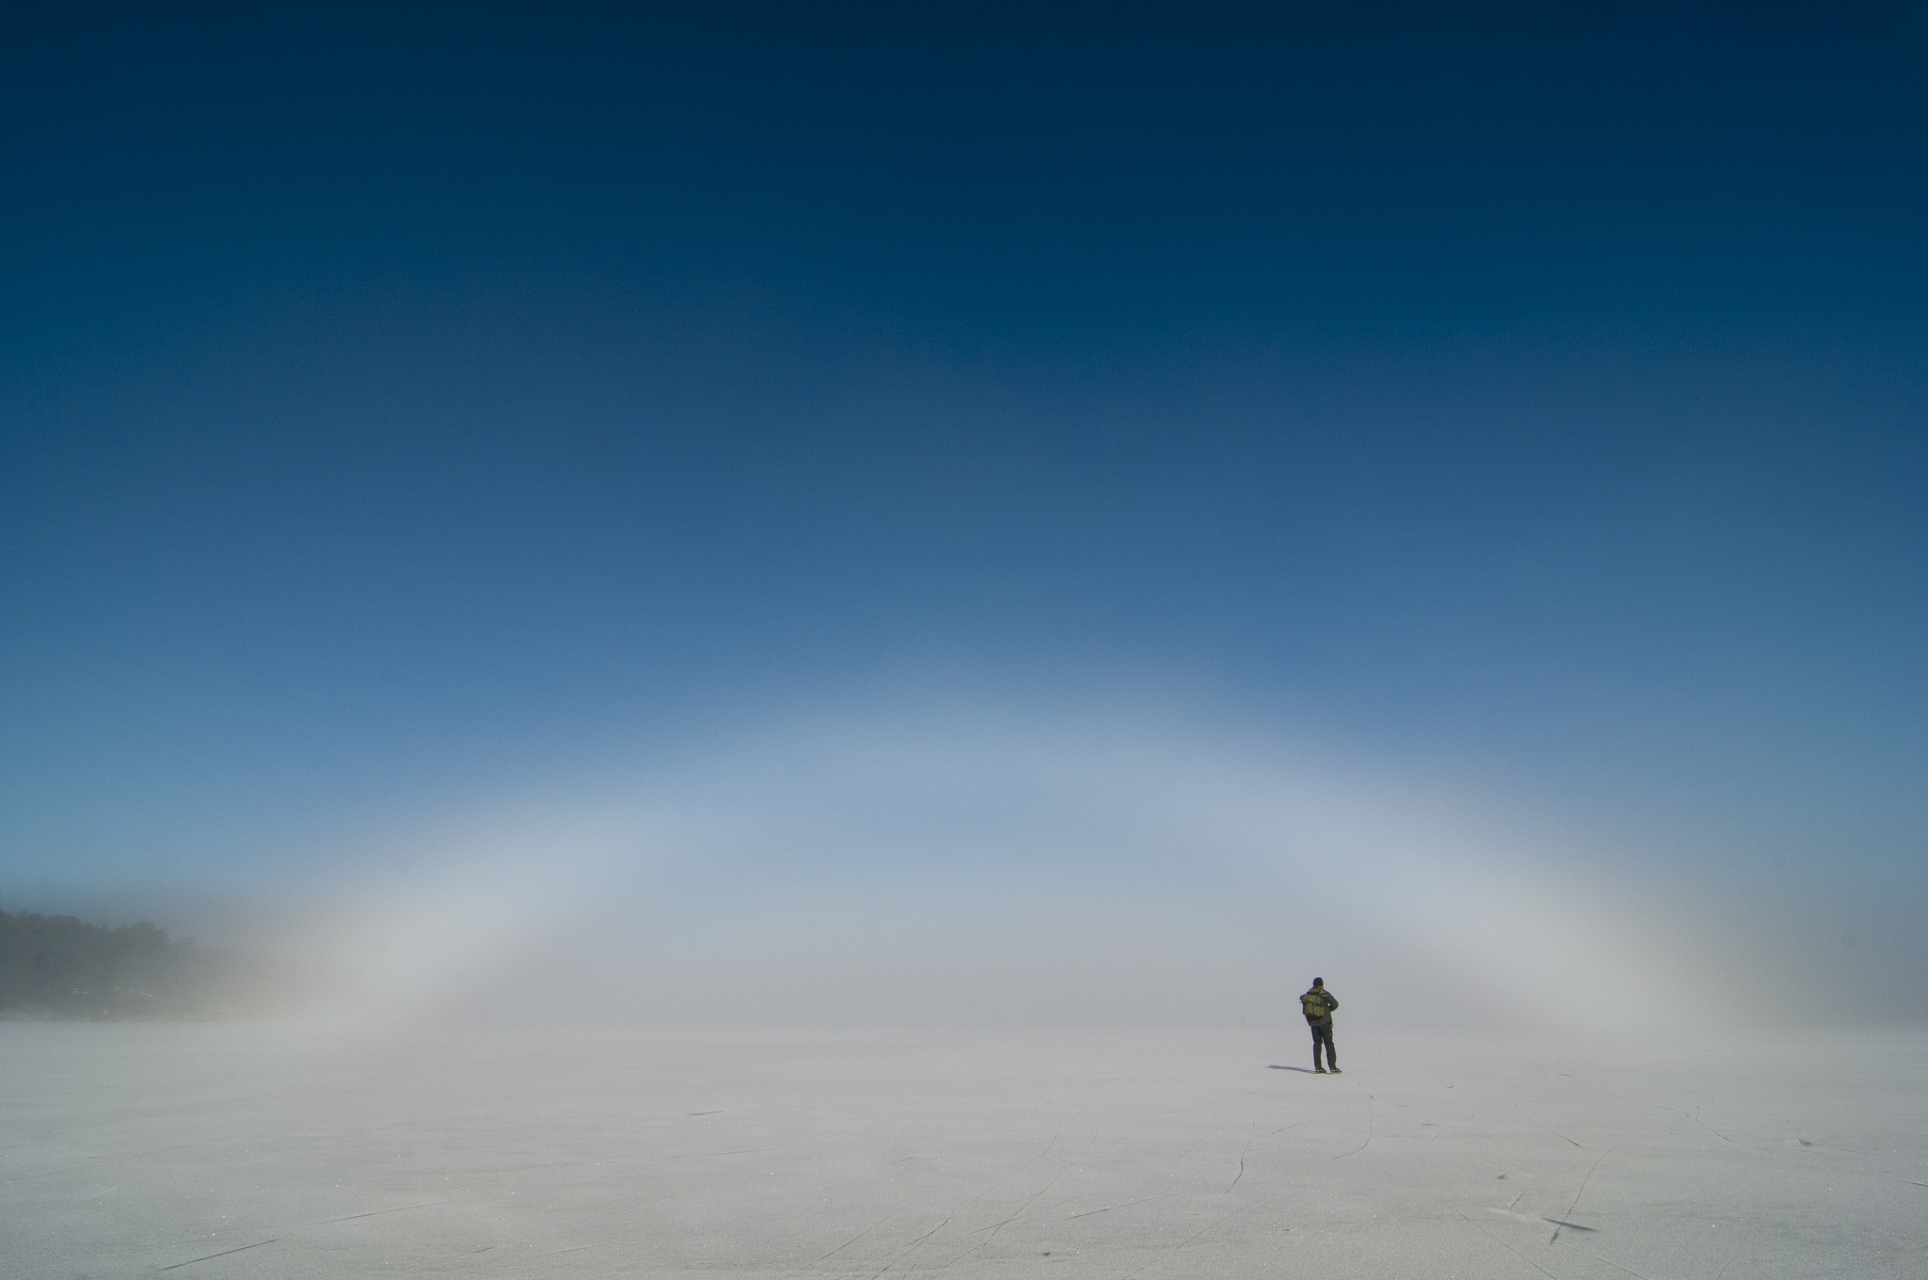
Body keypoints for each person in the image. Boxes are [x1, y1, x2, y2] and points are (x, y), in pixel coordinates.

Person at [1300, 977, 1339, 1074]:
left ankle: (1318, 1067)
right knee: (1329, 1044)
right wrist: (1327, 1010)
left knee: (1317, 1044)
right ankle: (1332, 1067)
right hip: (1325, 1022)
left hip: (1313, 1024)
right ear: (1321, 985)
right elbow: (1335, 1004)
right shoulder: (1323, 993)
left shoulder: (1308, 994)